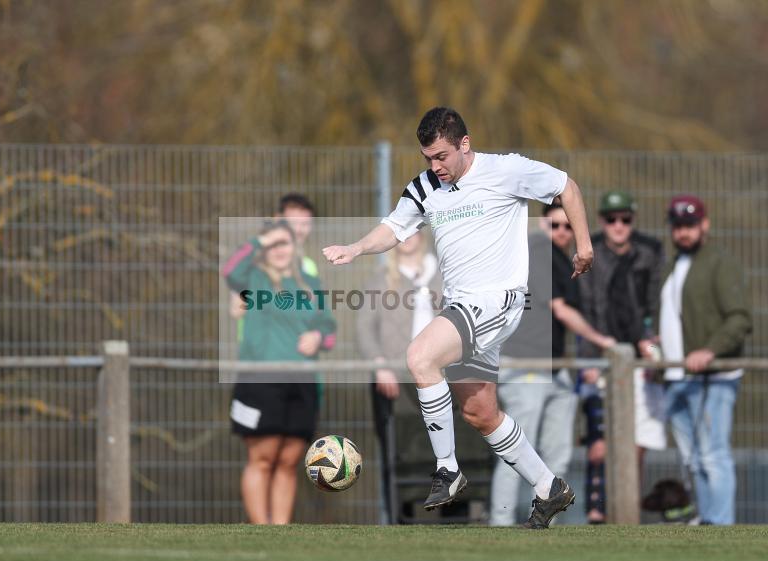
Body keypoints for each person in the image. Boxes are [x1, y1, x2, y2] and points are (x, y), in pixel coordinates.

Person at [323, 106, 594, 529]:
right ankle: (548, 487)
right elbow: (394, 229)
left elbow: (567, 187)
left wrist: (584, 244)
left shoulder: (507, 170)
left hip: (497, 300)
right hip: (463, 306)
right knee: (480, 412)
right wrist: (356, 248)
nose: (436, 166)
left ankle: (447, 469)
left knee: (419, 357)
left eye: (442, 156)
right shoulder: (425, 186)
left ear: (464, 144)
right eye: (428, 158)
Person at [489, 203, 615, 526]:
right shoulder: (536, 248)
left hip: (555, 368)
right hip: (525, 366)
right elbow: (561, 310)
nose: (561, 231)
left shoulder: (561, 259)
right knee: (516, 451)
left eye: (567, 226)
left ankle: (547, 522)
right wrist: (603, 342)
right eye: (554, 224)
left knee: (557, 453)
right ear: (542, 223)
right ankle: (500, 523)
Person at [221, 219, 337, 524]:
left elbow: (329, 329)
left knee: (288, 460)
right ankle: (262, 529)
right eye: (272, 244)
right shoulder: (253, 279)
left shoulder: (310, 285)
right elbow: (229, 271)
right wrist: (260, 240)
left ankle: (280, 532)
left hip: (302, 381)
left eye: (283, 243)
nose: (279, 250)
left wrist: (318, 338)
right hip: (259, 380)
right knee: (262, 457)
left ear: (295, 247)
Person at [659, 195, 752, 526]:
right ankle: (709, 524)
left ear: (705, 225)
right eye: (678, 226)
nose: (684, 232)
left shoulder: (719, 262)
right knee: (693, 459)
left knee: (714, 456)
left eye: (690, 225)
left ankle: (721, 524)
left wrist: (709, 350)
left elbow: (740, 319)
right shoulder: (671, 266)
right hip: (677, 377)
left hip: (715, 376)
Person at [577, 191, 666, 524]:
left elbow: (654, 302)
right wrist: (588, 358)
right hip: (601, 355)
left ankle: (628, 513)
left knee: (638, 442)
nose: (618, 226)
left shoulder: (650, 252)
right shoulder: (591, 252)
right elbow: (584, 307)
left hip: (639, 357)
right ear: (602, 221)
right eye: (611, 219)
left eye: (625, 219)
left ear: (633, 220)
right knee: (599, 444)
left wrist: (651, 343)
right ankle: (597, 509)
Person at [355, 232, 442, 523]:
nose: (406, 237)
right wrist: (381, 366)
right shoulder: (381, 278)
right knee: (397, 450)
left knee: (446, 447)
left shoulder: (442, 274)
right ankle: (400, 519)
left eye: (412, 229)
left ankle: (455, 516)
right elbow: (364, 329)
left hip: (439, 375)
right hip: (394, 378)